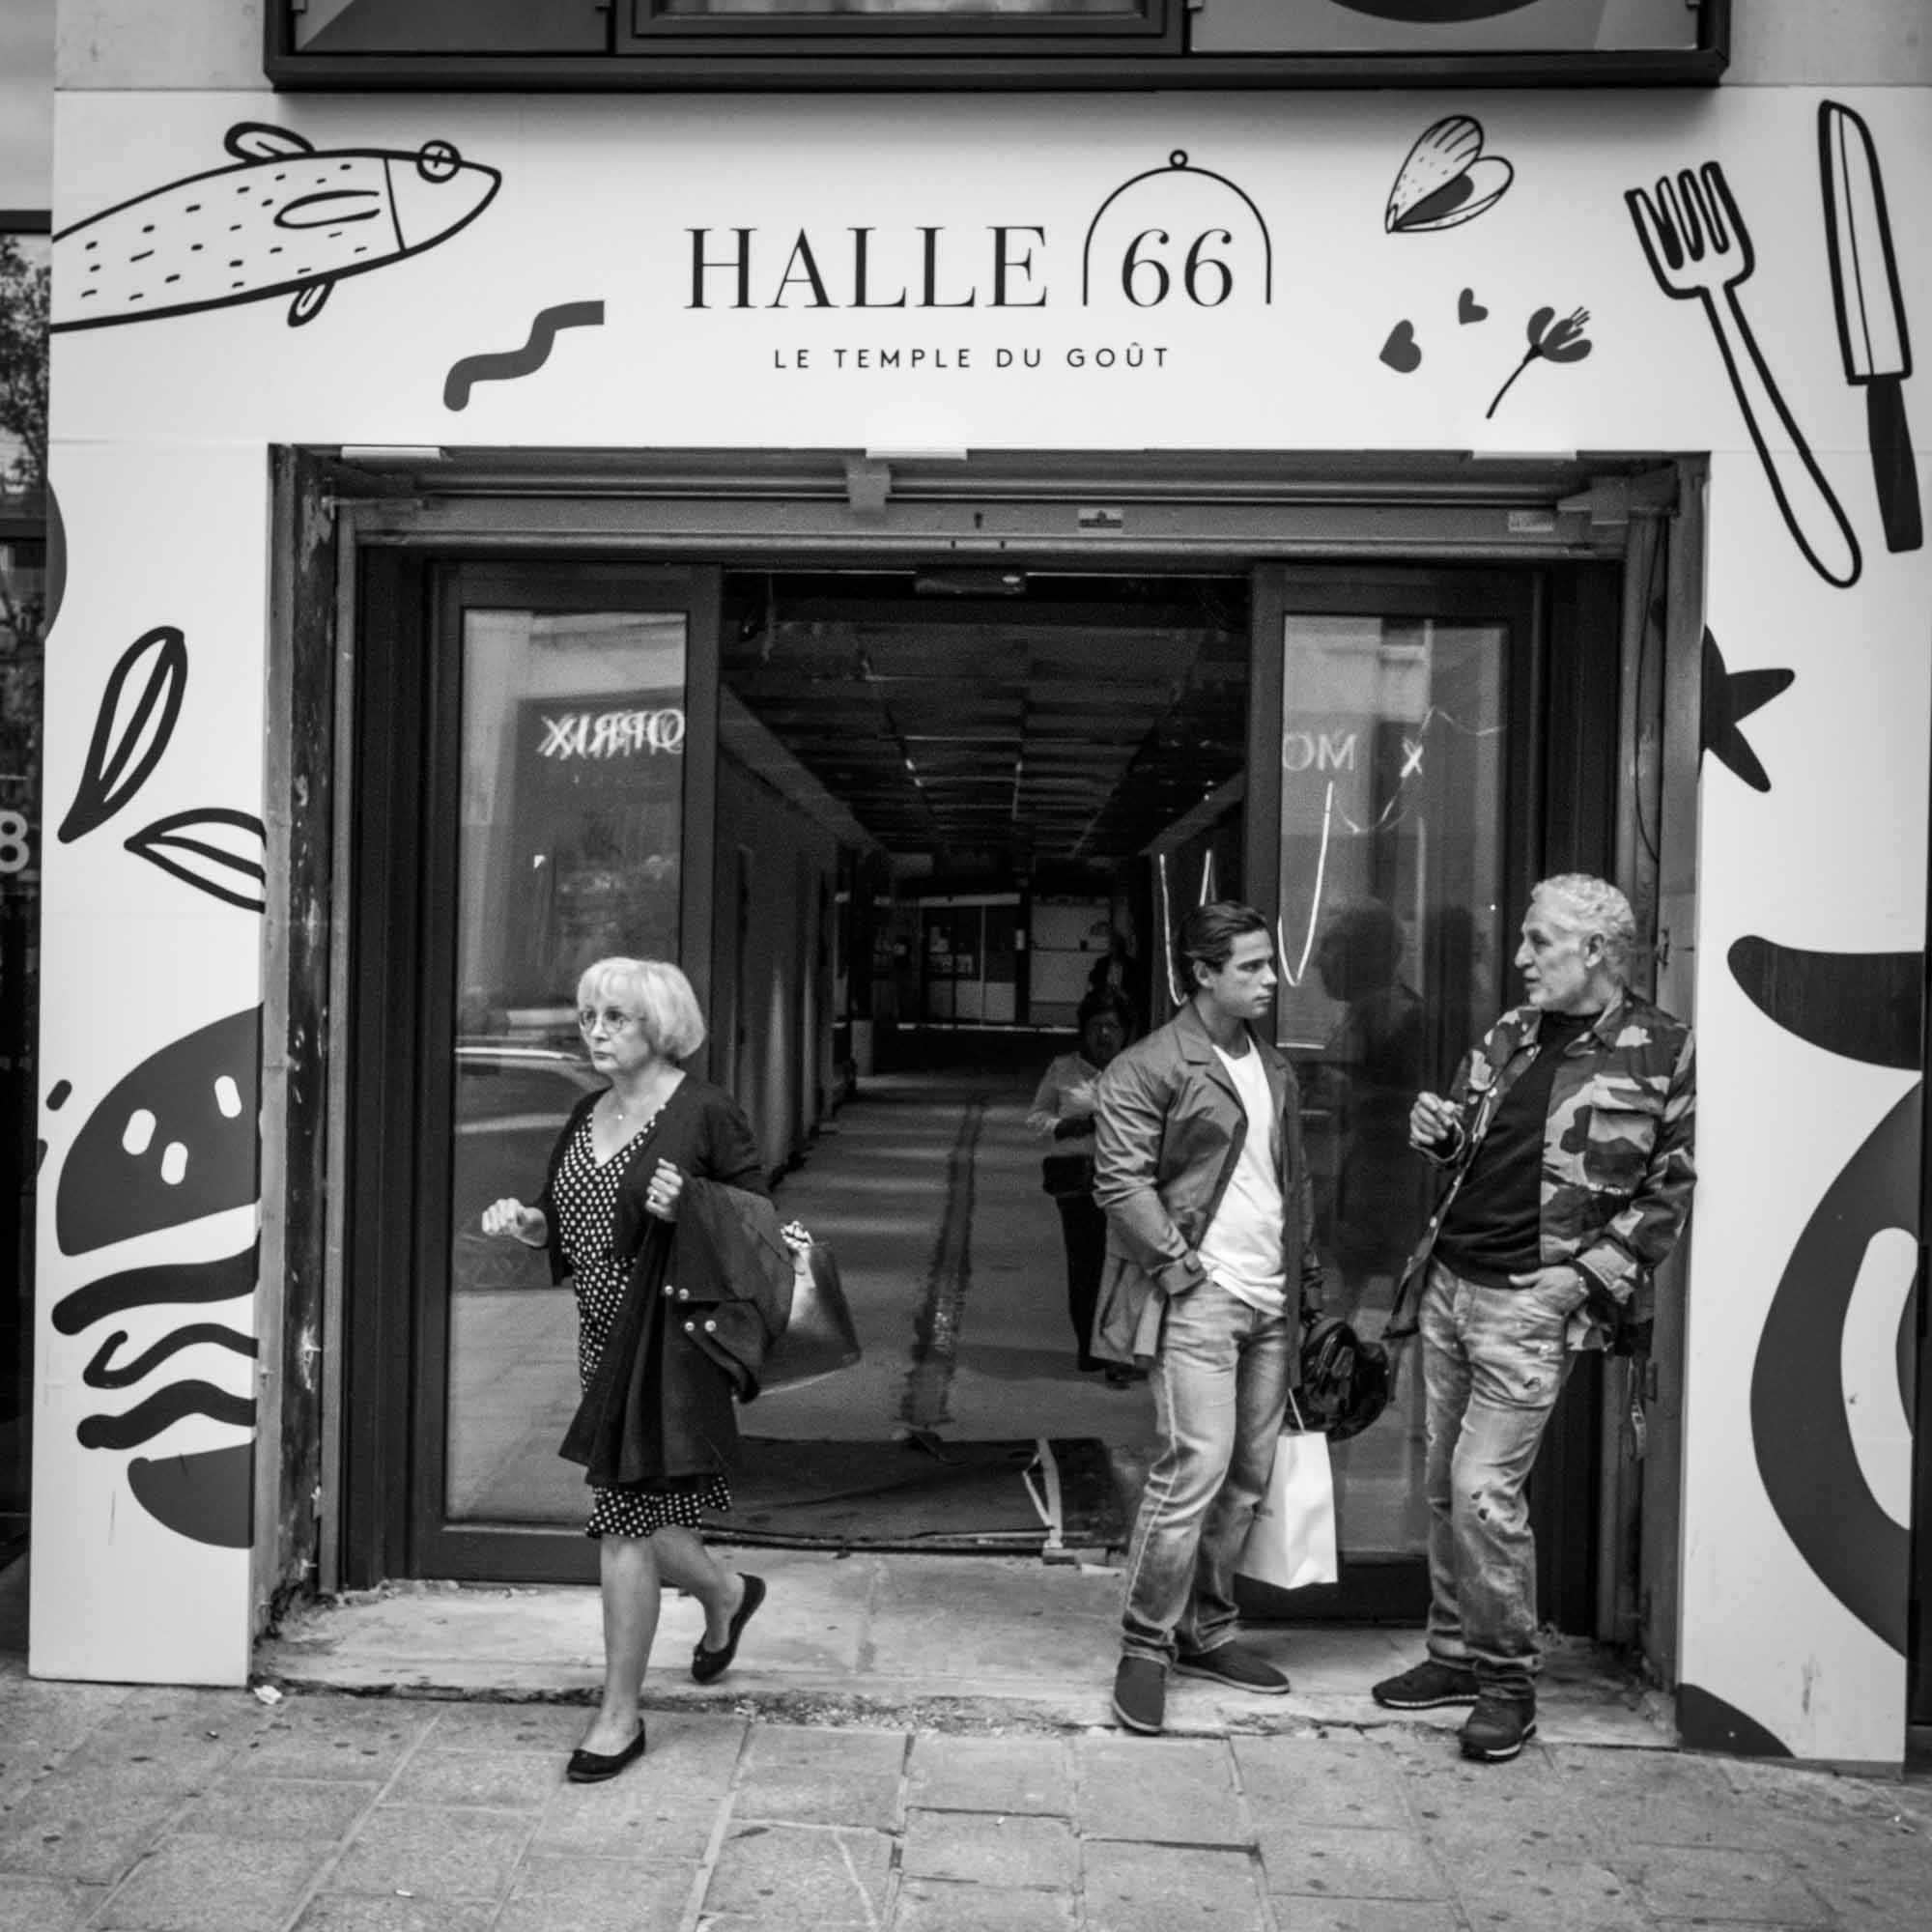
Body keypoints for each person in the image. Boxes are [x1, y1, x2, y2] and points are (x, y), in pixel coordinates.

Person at [1372, 875, 1695, 1763]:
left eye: (1537, 941)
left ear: (1595, 950)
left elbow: (1669, 1190)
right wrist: (1439, 1131)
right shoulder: (1510, 1035)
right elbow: (1473, 1147)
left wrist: (1578, 1283)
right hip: (1449, 1282)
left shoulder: (1661, 1050)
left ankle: (1508, 1683)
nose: (1519, 958)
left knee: (1484, 1490)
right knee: (1443, 1484)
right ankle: (1453, 1655)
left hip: (1528, 1299)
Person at [481, 957, 777, 1783]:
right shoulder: (586, 1111)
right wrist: (526, 1222)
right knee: (646, 1515)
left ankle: (618, 1716)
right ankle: (724, 1592)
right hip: (603, 1342)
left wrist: (690, 1209)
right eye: (588, 1018)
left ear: (662, 1025)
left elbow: (760, 1227)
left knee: (623, 1518)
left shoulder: (706, 1112)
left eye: (617, 1018)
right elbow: (563, 1224)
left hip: (674, 1343)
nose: (597, 1033)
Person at [1091, 900, 1322, 1737]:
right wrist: (1184, 1274)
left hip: (1272, 1301)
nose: (1270, 979)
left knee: (1246, 1477)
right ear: (1203, 974)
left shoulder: (1276, 1068)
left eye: (1269, 962)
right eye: (1252, 966)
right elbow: (1119, 1183)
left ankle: (1209, 1629)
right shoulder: (1152, 1065)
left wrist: (1306, 1280)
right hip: (1201, 1299)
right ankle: (1145, 1644)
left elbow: (1289, 1183)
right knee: (1194, 1467)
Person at [1312, 897, 1430, 1320]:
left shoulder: (1401, 1018)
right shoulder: (1367, 1015)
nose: (1316, 963)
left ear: (1364, 953)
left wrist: (1358, 1098)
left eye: (1331, 946)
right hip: (1361, 1185)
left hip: (1386, 1197)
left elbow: (1417, 1106)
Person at [1027, 985, 1139, 1381]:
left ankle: (1117, 1352)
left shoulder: (1138, 1069)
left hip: (1126, 1182)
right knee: (1086, 1265)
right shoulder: (1063, 1069)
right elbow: (1036, 1118)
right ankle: (1089, 1346)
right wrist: (1065, 1126)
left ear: (1125, 1032)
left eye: (1112, 1027)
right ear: (1084, 1030)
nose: (1104, 1035)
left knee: (1124, 1267)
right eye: (1097, 1026)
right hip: (1077, 1182)